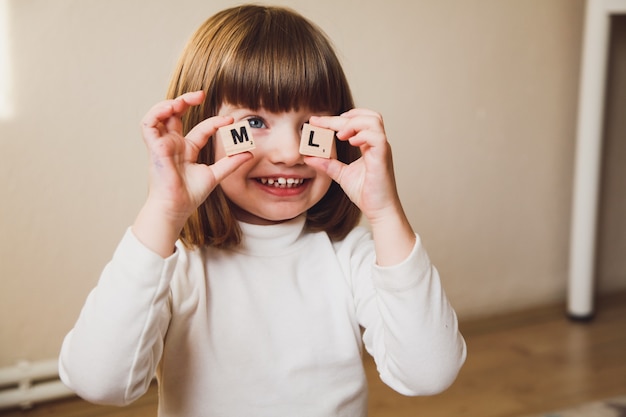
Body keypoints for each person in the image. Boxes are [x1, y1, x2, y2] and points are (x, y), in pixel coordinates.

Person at [59, 5, 466, 416]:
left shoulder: (349, 252)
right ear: (202, 128)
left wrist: (385, 212)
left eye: (310, 124)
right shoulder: (175, 262)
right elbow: (99, 382)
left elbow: (428, 373)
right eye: (254, 121)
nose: (290, 153)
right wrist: (163, 212)